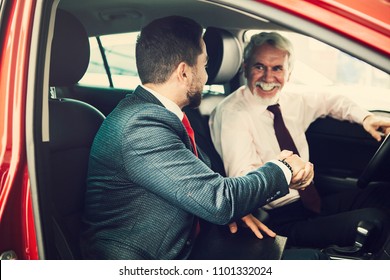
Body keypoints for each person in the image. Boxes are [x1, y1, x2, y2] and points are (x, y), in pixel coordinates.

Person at [79, 16, 328, 260]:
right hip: (149, 262)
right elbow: (217, 199)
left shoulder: (161, 116)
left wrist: (235, 212)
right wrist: (283, 169)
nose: (207, 76)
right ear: (184, 72)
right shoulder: (140, 126)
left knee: (312, 259)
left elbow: (204, 185)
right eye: (205, 65)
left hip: (191, 244)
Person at [209, 31, 390, 254]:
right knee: (375, 220)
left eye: (277, 68)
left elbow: (330, 100)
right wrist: (286, 175)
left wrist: (366, 118)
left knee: (382, 194)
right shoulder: (232, 114)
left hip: (310, 202)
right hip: (278, 219)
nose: (268, 77)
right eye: (259, 66)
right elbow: (244, 179)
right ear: (245, 67)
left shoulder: (290, 100)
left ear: (289, 73)